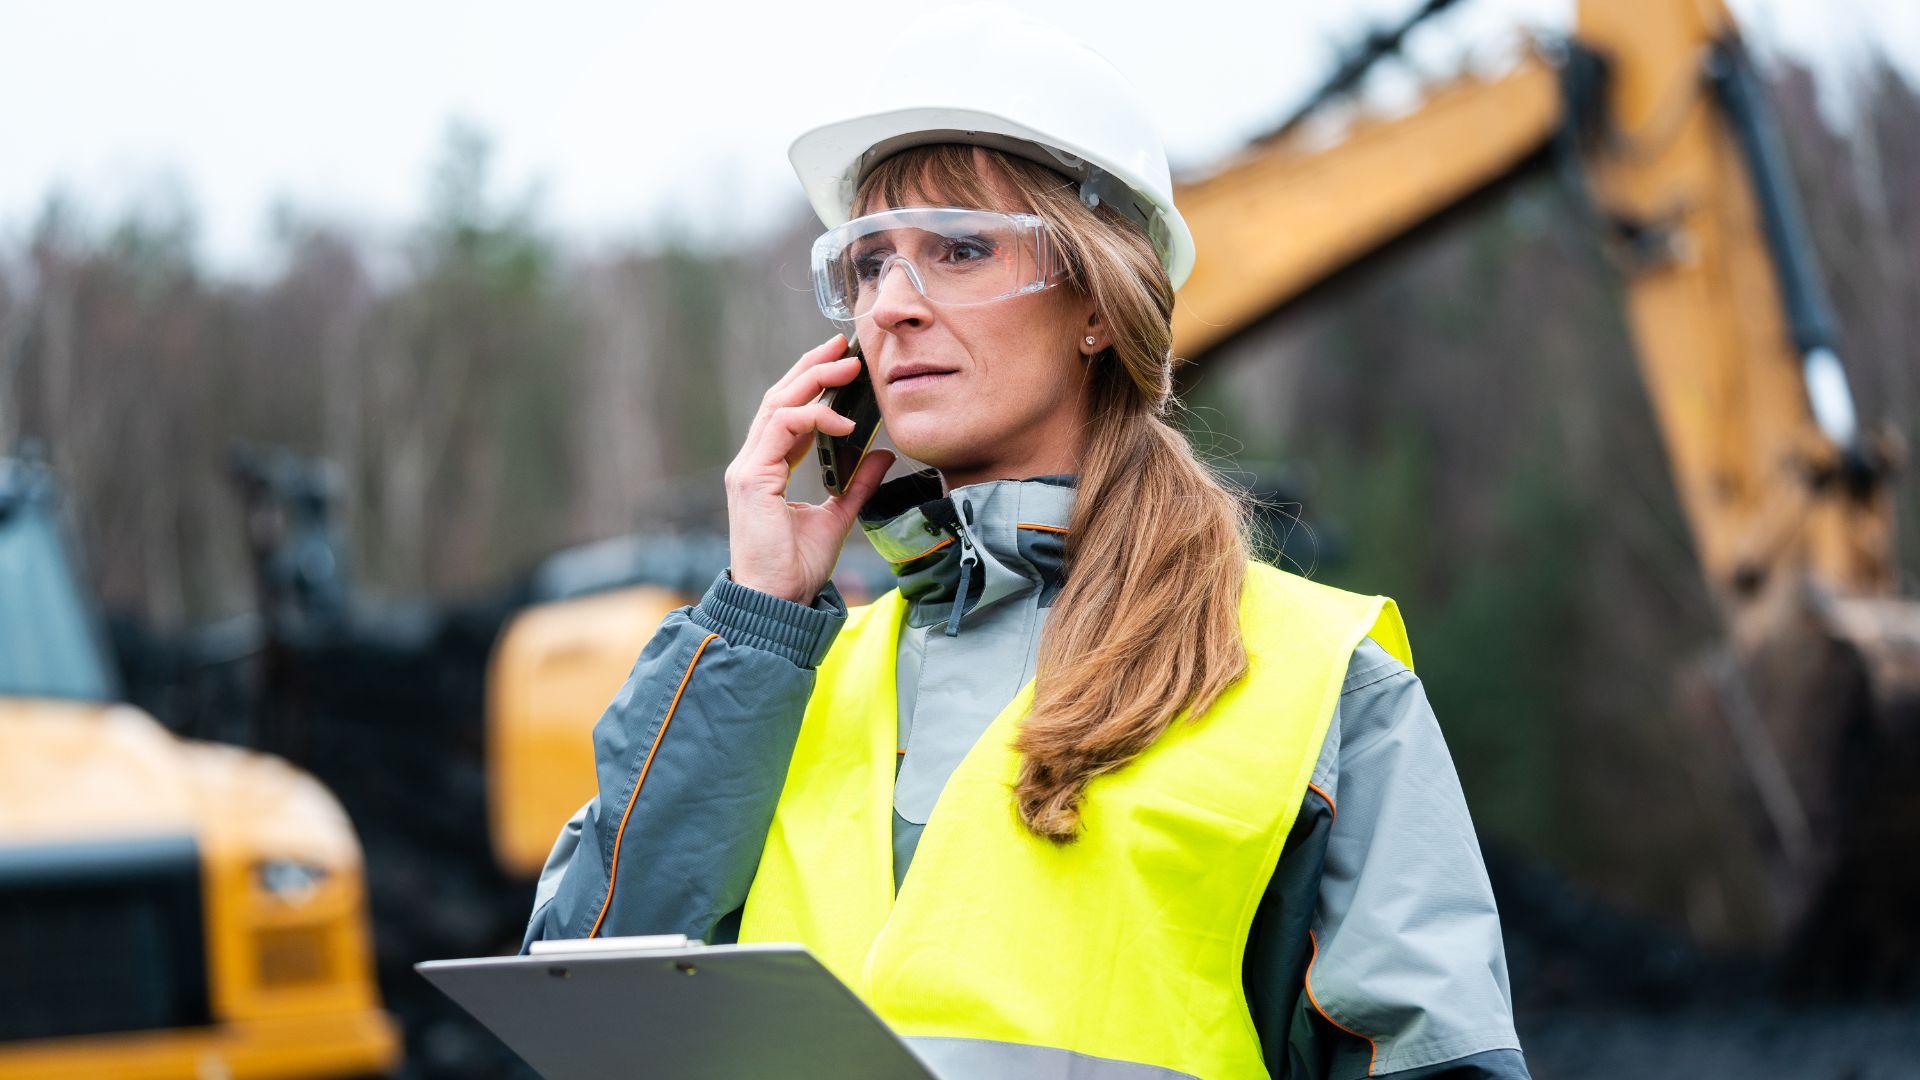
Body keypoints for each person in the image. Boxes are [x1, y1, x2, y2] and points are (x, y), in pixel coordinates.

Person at [523, 6, 1527, 1078]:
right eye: (867, 265)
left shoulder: (1320, 689)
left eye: (956, 250)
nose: (892, 308)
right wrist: (759, 606)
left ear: (1096, 301)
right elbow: (589, 1002)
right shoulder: (782, 680)